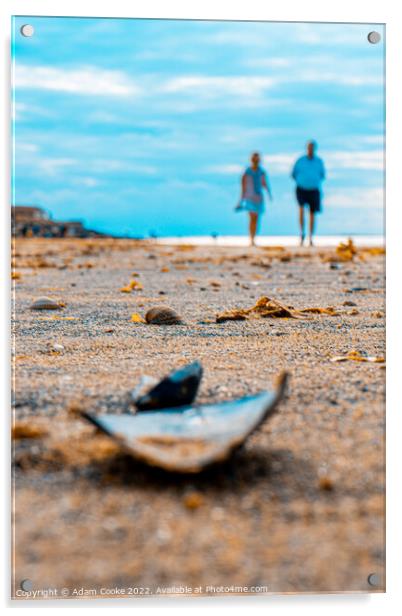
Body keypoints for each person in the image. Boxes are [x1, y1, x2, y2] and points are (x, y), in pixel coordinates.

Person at [291, 140, 325, 246]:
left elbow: (322, 175)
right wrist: (302, 181)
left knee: (312, 213)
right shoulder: (300, 160)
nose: (310, 149)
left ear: (315, 149)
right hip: (301, 189)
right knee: (301, 209)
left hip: (314, 189)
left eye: (312, 147)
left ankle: (311, 237)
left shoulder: (319, 161)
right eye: (309, 147)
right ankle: (302, 234)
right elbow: (293, 174)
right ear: (306, 148)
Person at [236, 152, 273, 246]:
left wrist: (269, 194)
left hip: (258, 197)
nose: (256, 161)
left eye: (257, 159)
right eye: (254, 159)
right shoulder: (247, 172)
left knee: (256, 218)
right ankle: (251, 239)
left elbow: (265, 183)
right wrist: (241, 200)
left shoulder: (262, 171)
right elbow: (243, 186)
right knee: (252, 218)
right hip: (249, 197)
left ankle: (253, 238)